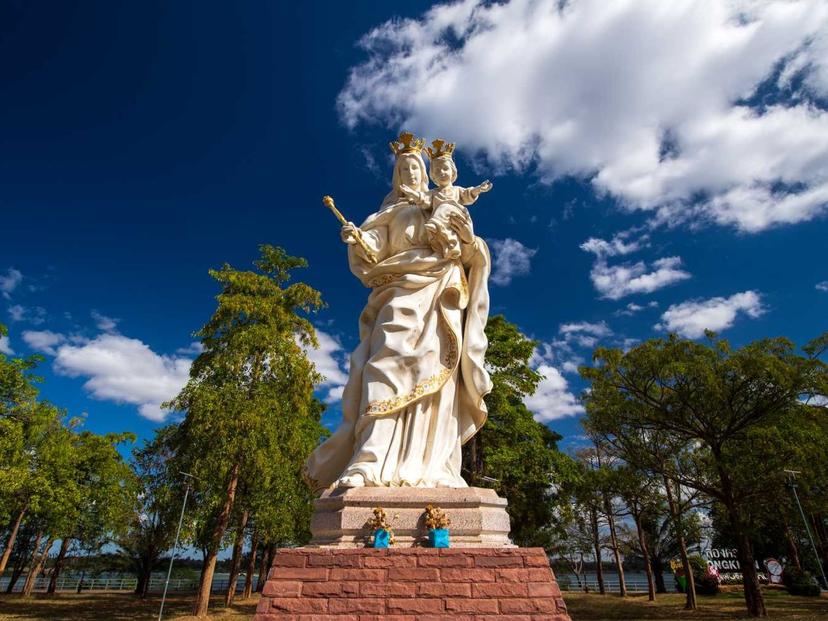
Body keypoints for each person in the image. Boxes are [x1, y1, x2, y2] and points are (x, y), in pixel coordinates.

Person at [304, 132, 492, 490]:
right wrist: (357, 238)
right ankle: (370, 461)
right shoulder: (389, 210)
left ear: (426, 172)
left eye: (415, 167)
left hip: (439, 294)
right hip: (395, 293)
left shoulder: (442, 203)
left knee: (435, 372)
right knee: (382, 363)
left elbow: (471, 252)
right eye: (403, 168)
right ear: (396, 175)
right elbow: (375, 250)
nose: (410, 173)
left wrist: (468, 240)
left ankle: (434, 466)